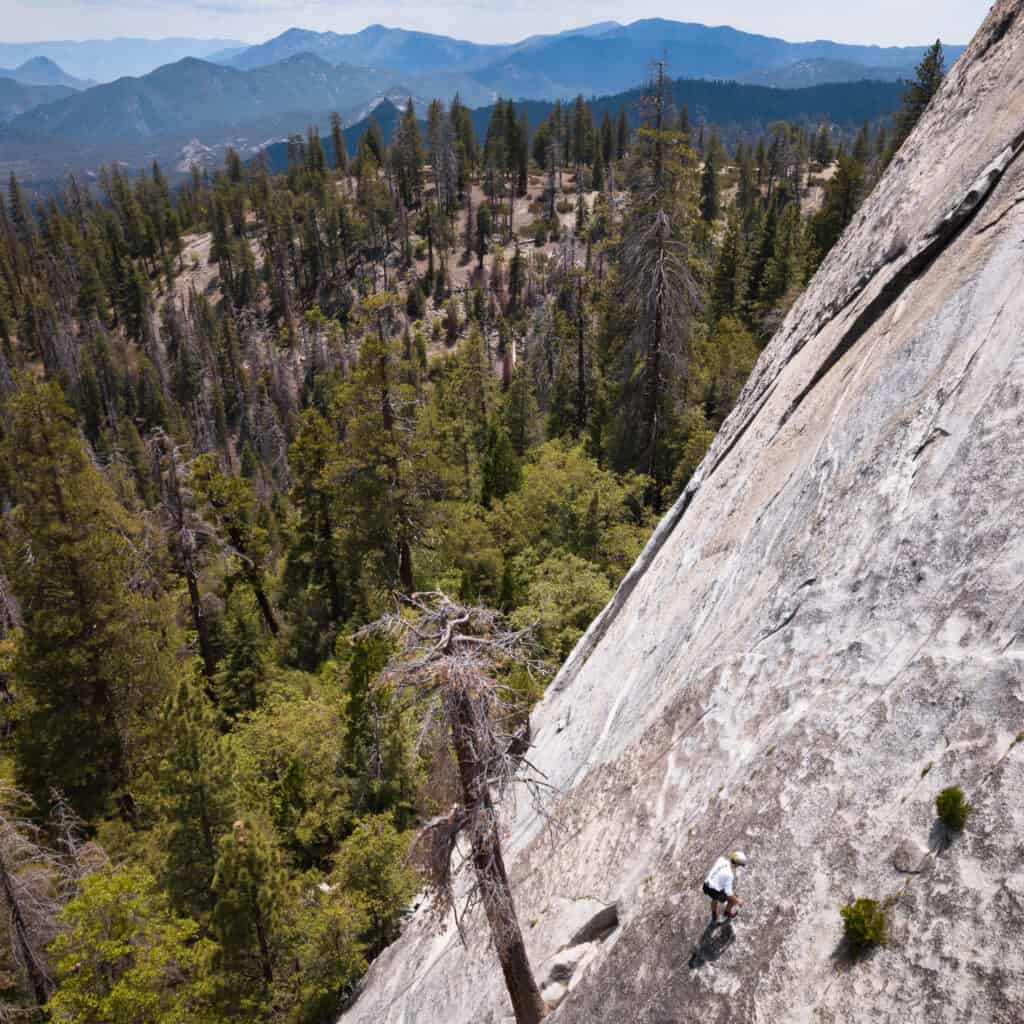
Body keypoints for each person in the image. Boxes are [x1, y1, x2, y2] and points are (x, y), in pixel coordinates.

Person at [703, 850, 747, 924]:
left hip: (706, 885)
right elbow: (729, 893)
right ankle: (727, 912)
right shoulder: (729, 875)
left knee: (715, 898)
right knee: (733, 899)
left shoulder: (721, 859)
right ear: (737, 864)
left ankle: (714, 915)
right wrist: (738, 901)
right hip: (715, 891)